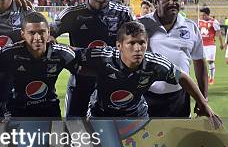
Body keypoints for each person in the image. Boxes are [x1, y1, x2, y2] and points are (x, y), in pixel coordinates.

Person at [79, 21, 221, 127]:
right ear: (119, 45)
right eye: (132, 43)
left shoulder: (154, 64)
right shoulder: (102, 56)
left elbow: (182, 77)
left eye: (142, 43)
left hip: (136, 114)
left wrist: (203, 104)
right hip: (101, 114)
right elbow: (72, 55)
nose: (138, 48)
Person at [51, 0, 134, 118]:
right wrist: (68, 56)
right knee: (74, 132)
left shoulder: (123, 14)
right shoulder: (72, 14)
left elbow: (134, 44)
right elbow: (47, 37)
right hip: (80, 82)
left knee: (108, 133)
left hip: (110, 83)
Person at [139, 0, 207, 118]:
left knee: (177, 137)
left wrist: (203, 99)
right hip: (145, 96)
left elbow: (199, 63)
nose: (173, 2)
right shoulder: (141, 24)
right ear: (156, 1)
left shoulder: (191, 26)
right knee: (144, 137)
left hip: (179, 98)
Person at [0, 12, 79, 118]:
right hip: (18, 111)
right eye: (32, 33)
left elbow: (82, 68)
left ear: (48, 32)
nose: (37, 37)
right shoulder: (9, 54)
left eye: (42, 32)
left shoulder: (62, 53)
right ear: (22, 34)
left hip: (50, 110)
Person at [198, 6, 224, 84]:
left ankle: (211, 78)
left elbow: (219, 33)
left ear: (207, 14)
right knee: (200, 62)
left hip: (210, 45)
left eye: (203, 15)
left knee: (210, 61)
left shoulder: (214, 22)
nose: (202, 16)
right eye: (202, 15)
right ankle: (202, 78)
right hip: (202, 45)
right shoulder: (200, 21)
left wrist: (221, 44)